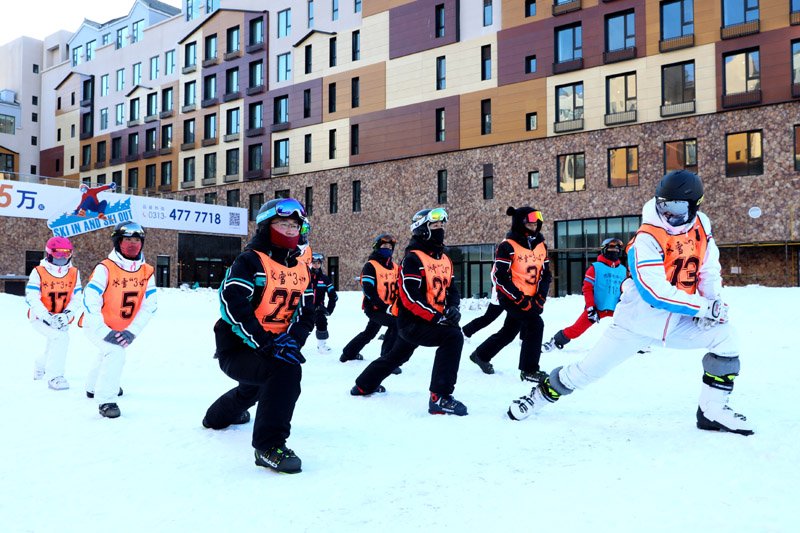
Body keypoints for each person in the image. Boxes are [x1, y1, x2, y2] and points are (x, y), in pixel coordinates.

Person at [508, 171, 754, 436]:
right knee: (585, 373)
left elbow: (708, 269)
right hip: (637, 322)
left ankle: (712, 411)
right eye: (663, 204)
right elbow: (654, 292)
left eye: (677, 206)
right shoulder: (647, 238)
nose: (668, 213)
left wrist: (713, 302)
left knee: (727, 337)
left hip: (679, 322)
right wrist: (703, 307)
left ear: (695, 205)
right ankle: (539, 396)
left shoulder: (702, 226)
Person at [203, 198, 316, 474]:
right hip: (238, 346)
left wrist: (292, 340)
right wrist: (264, 342)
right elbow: (233, 304)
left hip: (272, 344)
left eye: (294, 225)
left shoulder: (302, 269)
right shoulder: (250, 261)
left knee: (253, 388)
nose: (290, 231)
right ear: (266, 226)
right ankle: (268, 446)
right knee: (285, 372)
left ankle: (216, 418)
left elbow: (308, 312)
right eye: (283, 224)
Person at [351, 208, 468, 416]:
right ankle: (439, 397)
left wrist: (453, 308)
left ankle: (363, 385)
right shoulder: (413, 259)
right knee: (453, 337)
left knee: (397, 356)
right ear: (422, 230)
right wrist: (437, 317)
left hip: (430, 320)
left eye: (441, 225)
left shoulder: (444, 259)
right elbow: (410, 296)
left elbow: (451, 289)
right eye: (435, 226)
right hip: (412, 321)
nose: (440, 229)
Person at [81, 221, 156, 418]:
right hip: (95, 325)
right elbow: (90, 300)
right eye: (127, 240)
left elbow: (150, 305)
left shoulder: (147, 271)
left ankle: (92, 387)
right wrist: (104, 332)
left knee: (106, 353)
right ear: (117, 242)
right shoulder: (105, 268)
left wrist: (132, 331)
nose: (132, 244)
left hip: (123, 328)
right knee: (115, 353)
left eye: (136, 240)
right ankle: (106, 399)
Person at [467, 207, 551, 381]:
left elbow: (546, 274)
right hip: (511, 296)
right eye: (529, 222)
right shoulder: (507, 246)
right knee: (535, 325)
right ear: (520, 224)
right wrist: (519, 298)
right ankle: (529, 370)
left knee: (509, 331)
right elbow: (500, 276)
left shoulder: (541, 246)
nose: (534, 226)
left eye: (536, 222)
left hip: (531, 296)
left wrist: (540, 298)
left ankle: (481, 355)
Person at [542, 238, 627, 352]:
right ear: (604, 250)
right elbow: (587, 289)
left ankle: (638, 346)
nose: (614, 252)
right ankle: (555, 341)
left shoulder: (622, 270)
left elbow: (625, 290)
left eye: (617, 250)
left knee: (630, 324)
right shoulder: (595, 268)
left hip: (615, 307)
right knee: (576, 330)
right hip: (597, 308)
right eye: (611, 249)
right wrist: (591, 307)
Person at [25, 236, 82, 390]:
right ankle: (55, 377)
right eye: (58, 253)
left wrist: (67, 315)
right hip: (39, 318)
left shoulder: (74, 273)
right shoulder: (39, 271)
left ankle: (40, 364)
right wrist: (47, 316)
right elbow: (32, 297)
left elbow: (77, 298)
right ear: (49, 253)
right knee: (61, 338)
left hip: (61, 318)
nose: (62, 257)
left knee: (54, 345)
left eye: (66, 253)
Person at [340, 234, 401, 372]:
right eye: (384, 246)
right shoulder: (370, 266)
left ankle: (348, 353)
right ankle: (387, 361)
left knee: (370, 332)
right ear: (377, 248)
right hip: (374, 308)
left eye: (390, 246)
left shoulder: (395, 267)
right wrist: (384, 307)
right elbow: (368, 290)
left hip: (390, 308)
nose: (387, 248)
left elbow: (399, 288)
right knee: (394, 324)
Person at [310, 252, 338, 354]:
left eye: (318, 263)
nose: (316, 265)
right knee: (301, 326)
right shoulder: (304, 277)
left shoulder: (325, 279)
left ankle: (321, 345)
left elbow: (333, 296)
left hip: (319, 308)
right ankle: (295, 345)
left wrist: (329, 310)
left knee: (322, 322)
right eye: (314, 262)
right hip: (304, 308)